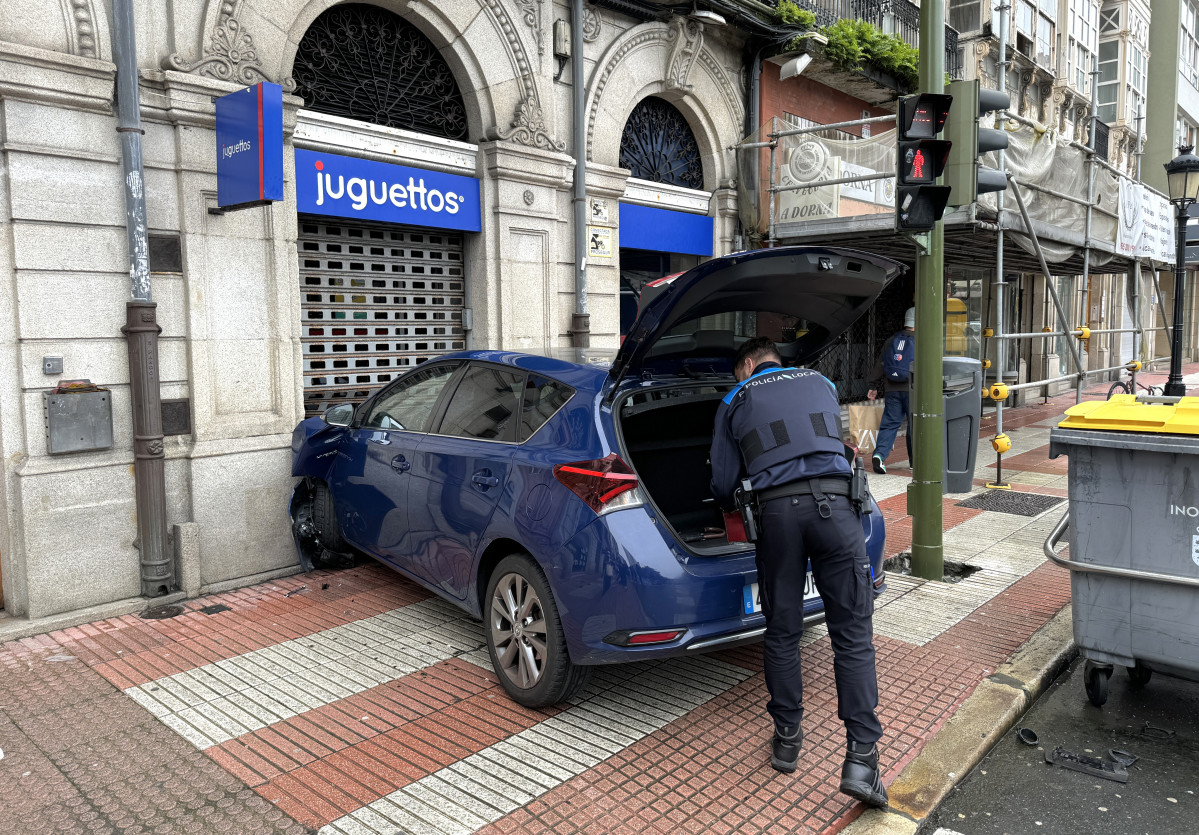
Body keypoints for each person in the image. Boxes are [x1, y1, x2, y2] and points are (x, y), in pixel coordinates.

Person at [709, 336, 888, 808]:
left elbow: (724, 483)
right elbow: (840, 443)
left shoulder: (734, 398)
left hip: (779, 517)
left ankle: (787, 738)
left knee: (783, 632)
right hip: (840, 510)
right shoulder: (823, 382)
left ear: (747, 365)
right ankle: (862, 761)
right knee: (852, 635)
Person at [867, 307, 915, 475]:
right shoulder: (922, 341)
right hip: (913, 389)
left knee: (889, 424)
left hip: (892, 389)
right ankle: (914, 462)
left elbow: (881, 363)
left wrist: (873, 386)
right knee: (914, 425)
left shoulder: (892, 340)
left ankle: (879, 455)